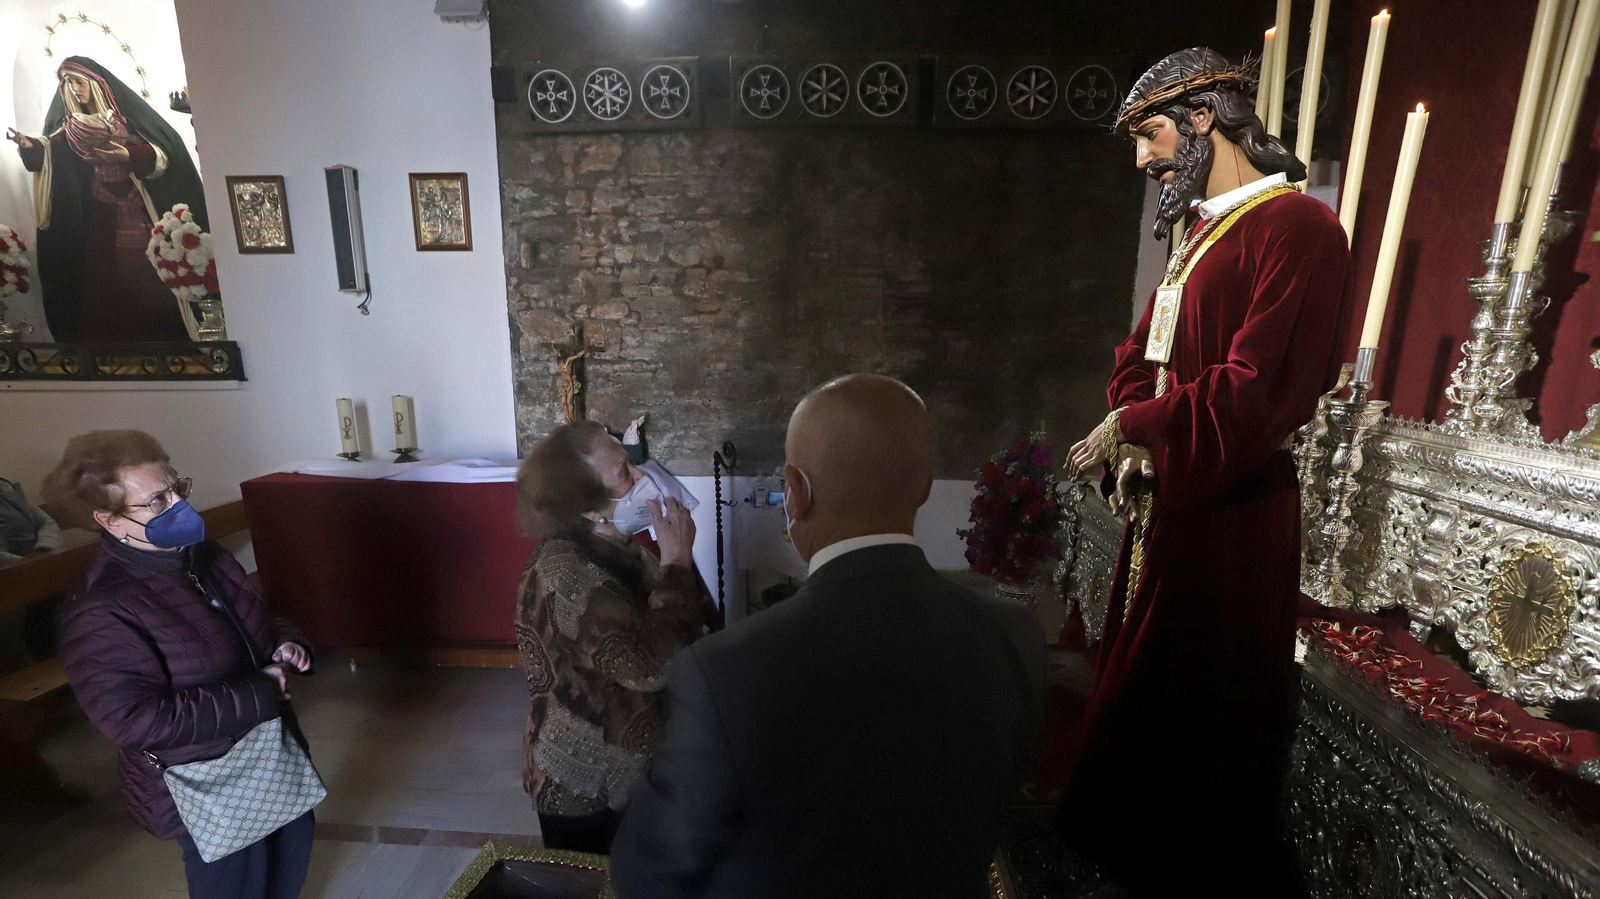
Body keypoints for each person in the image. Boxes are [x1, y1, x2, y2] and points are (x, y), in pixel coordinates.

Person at [1057, 48, 1352, 896]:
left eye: (1148, 134)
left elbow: (1262, 389)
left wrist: (1136, 425)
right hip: (1173, 500)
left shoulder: (1300, 230)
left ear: (1202, 119)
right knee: (1144, 708)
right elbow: (1139, 353)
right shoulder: (1207, 231)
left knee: (1193, 720)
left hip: (1233, 514)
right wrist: (1131, 425)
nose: (1142, 160)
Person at [610, 374, 1046, 899]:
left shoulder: (724, 671)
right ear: (927, 486)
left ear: (796, 492)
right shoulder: (1014, 634)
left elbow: (649, 872)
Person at [44, 430, 316, 899]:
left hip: (266, 749)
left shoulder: (201, 555)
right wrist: (262, 692)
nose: (178, 506)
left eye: (177, 489)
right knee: (238, 884)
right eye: (155, 500)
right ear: (108, 519)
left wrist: (284, 643)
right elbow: (133, 719)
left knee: (290, 854)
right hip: (206, 775)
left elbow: (250, 616)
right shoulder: (102, 608)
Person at [514, 420, 719, 854]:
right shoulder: (566, 571)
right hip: (587, 786)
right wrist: (678, 560)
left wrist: (676, 562)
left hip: (640, 770)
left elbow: (697, 625)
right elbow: (649, 667)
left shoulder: (619, 547)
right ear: (587, 507)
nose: (644, 478)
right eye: (625, 473)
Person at [6, 57, 209, 342]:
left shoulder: (125, 120)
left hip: (138, 207)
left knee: (147, 271)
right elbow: (52, 152)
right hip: (98, 212)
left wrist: (128, 156)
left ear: (97, 84)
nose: (74, 88)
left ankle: (167, 339)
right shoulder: (70, 128)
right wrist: (31, 147)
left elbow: (164, 152)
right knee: (104, 275)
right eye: (67, 82)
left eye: (78, 81)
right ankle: (110, 342)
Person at [0, 476, 63, 564]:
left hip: (45, 560)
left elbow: (46, 522)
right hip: (12, 573)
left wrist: (45, 551)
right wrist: (29, 564)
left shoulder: (5, 488)